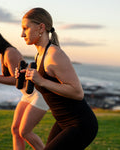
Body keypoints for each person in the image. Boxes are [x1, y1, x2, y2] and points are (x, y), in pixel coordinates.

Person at [21, 7, 98, 150]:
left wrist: (42, 81)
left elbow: (78, 93)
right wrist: (26, 77)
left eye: (25, 28)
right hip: (63, 122)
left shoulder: (54, 55)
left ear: (41, 27)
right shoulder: (39, 55)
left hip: (81, 124)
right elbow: (47, 84)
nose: (22, 34)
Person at [0, 27, 49, 150]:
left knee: (25, 132)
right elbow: (11, 77)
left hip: (37, 93)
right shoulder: (5, 54)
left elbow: (18, 80)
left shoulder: (10, 53)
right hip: (28, 94)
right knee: (15, 129)